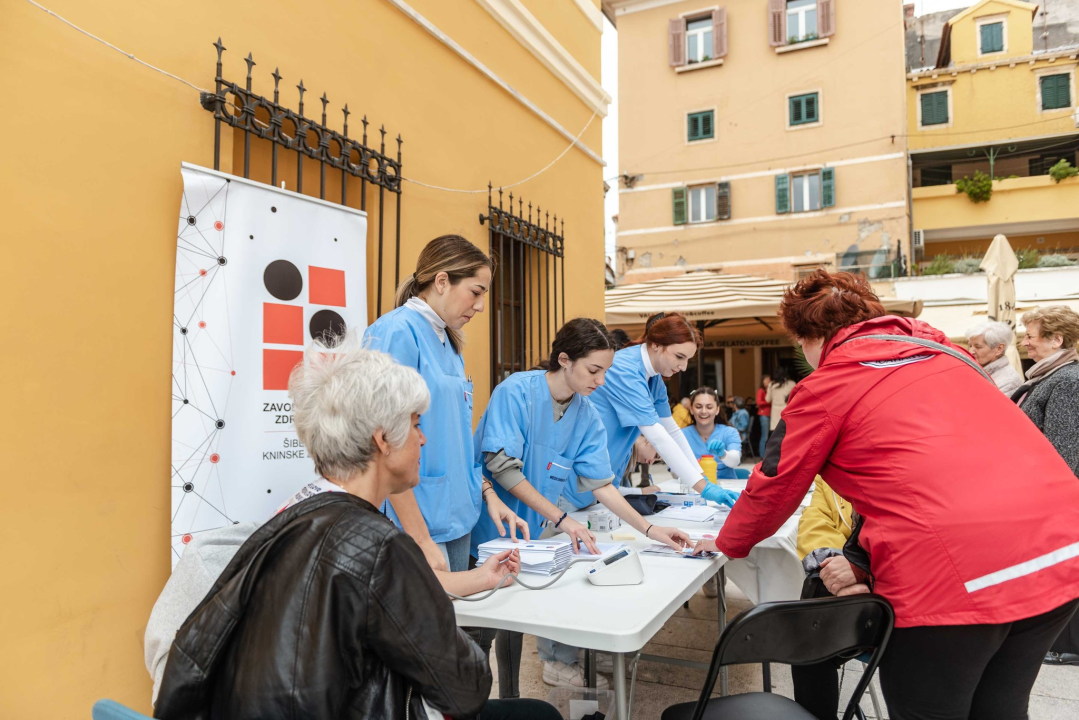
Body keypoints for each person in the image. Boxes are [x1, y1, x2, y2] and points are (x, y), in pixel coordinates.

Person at [693, 270, 1079, 720]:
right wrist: (860, 555)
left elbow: (772, 485)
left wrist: (725, 543)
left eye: (801, 343)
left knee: (927, 709)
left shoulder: (827, 385)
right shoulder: (949, 355)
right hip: (1059, 544)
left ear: (814, 337)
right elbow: (925, 476)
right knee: (1001, 706)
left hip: (958, 570)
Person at [154, 340, 560, 720]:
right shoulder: (380, 545)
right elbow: (465, 690)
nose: (422, 439)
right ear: (383, 440)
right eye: (416, 424)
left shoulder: (280, 525)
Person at [471, 318, 690, 690]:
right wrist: (563, 519)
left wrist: (650, 529)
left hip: (530, 532)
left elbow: (601, 484)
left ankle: (510, 699)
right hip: (485, 524)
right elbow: (503, 467)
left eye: (605, 370)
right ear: (564, 359)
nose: (601, 381)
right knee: (480, 632)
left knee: (515, 621)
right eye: (594, 370)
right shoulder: (516, 393)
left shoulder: (586, 413)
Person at [364, 235, 525, 573]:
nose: (481, 306)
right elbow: (382, 445)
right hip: (416, 521)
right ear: (441, 281)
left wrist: (488, 494)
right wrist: (420, 539)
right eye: (476, 292)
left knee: (457, 621)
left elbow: (456, 438)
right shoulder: (397, 332)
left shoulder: (450, 344)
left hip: (456, 515)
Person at [565, 312, 740, 512]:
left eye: (687, 360)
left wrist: (702, 477)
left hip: (599, 486)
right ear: (656, 344)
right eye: (679, 357)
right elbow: (658, 437)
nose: (683, 367)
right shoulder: (625, 369)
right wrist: (703, 487)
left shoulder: (653, 378)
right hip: (573, 485)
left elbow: (672, 431)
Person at [1014, 306, 1079, 666]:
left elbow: (1064, 448)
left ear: (1056, 339)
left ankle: (1067, 646)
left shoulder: (1068, 379)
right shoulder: (1048, 375)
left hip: (1054, 498)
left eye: (1030, 336)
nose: (1024, 343)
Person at [791, 477, 855, 720]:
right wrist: (840, 563)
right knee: (808, 647)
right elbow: (813, 523)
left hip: (916, 597)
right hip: (860, 595)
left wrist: (863, 568)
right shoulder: (828, 479)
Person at [681, 387, 742, 477]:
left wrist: (723, 454)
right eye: (698, 407)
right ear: (691, 409)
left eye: (709, 407)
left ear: (717, 410)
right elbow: (674, 472)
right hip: (694, 488)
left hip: (726, 489)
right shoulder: (681, 435)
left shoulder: (730, 432)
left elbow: (735, 461)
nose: (704, 411)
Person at [966, 320, 1023, 395]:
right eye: (970, 346)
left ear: (999, 349)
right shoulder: (976, 370)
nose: (971, 351)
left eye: (978, 347)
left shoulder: (1009, 382)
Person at [764, 365, 795, 433]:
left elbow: (767, 399)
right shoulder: (791, 384)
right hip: (786, 410)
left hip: (775, 412)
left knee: (776, 435)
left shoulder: (771, 385)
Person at [756, 375, 771, 457]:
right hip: (764, 415)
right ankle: (762, 455)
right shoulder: (761, 390)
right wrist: (769, 402)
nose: (768, 381)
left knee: (769, 436)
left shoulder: (770, 390)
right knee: (764, 436)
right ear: (762, 381)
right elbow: (759, 402)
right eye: (766, 380)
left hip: (770, 414)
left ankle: (767, 455)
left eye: (769, 380)